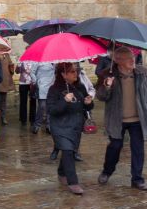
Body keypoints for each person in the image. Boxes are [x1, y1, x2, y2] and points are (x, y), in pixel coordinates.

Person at [96, 47, 147, 190]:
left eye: (133, 57)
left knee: (138, 149)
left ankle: (137, 179)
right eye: (128, 58)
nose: (133, 60)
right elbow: (101, 97)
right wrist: (106, 86)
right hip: (117, 119)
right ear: (118, 61)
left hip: (138, 119)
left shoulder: (142, 72)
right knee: (115, 146)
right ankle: (107, 171)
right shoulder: (107, 74)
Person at [47, 62, 94, 195]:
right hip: (60, 127)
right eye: (72, 72)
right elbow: (52, 110)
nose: (76, 74)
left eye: (76, 71)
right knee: (67, 150)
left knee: (71, 151)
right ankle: (73, 183)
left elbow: (88, 107)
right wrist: (64, 101)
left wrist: (88, 103)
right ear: (63, 74)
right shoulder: (54, 90)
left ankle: (62, 171)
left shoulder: (79, 86)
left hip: (76, 126)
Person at [32, 62, 55, 134]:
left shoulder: (55, 61)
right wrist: (36, 81)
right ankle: (37, 125)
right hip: (42, 86)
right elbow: (32, 72)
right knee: (42, 106)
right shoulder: (39, 61)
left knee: (50, 107)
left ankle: (49, 126)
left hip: (52, 86)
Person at [15, 60, 36, 125]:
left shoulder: (35, 61)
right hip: (23, 83)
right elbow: (17, 72)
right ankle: (23, 119)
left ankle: (32, 119)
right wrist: (18, 66)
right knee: (23, 101)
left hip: (32, 83)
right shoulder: (22, 61)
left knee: (33, 101)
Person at [0, 52, 15, 125]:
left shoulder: (6, 55)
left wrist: (11, 67)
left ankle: (3, 117)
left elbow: (11, 67)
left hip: (5, 81)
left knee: (3, 100)